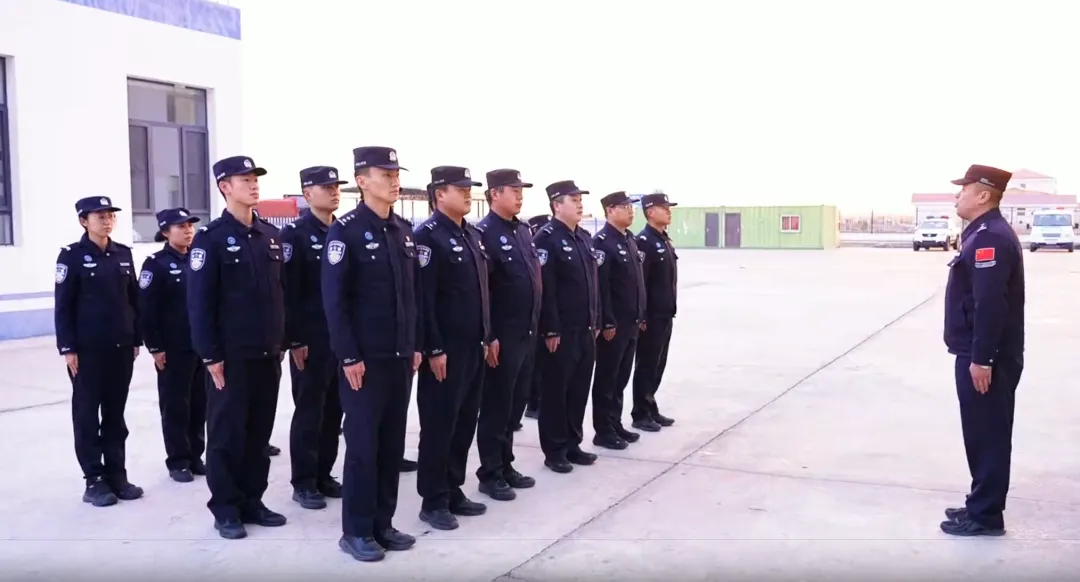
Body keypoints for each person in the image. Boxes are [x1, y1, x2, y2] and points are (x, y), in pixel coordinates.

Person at [322, 145, 420, 562]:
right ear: (362, 181)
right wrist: (348, 356)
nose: (394, 181)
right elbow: (335, 301)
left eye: (396, 174)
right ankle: (357, 531)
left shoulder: (402, 230)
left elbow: (412, 297)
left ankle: (383, 523)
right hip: (364, 361)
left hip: (399, 357)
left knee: (390, 445)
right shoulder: (345, 231)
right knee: (363, 447)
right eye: (386, 175)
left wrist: (415, 344)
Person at [187, 155, 288, 540]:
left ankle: (252, 500)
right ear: (224, 187)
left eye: (255, 178)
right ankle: (226, 507)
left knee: (258, 434)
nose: (253, 184)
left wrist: (283, 340)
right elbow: (199, 303)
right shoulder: (210, 239)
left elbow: (281, 294)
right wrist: (210, 354)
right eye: (244, 179)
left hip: (267, 352)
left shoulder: (270, 236)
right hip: (230, 357)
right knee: (227, 435)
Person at [939, 164, 1025, 537]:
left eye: (964, 190)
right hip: (978, 353)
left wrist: (981, 359)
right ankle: (979, 502)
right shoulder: (980, 233)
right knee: (979, 433)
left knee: (988, 435)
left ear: (984, 195)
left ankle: (986, 516)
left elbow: (990, 304)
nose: (957, 196)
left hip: (988, 358)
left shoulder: (992, 238)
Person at [413, 166, 492, 530]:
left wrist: (488, 335)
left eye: (468, 188)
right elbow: (424, 299)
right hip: (445, 350)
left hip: (473, 346)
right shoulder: (428, 237)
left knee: (464, 422)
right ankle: (433, 500)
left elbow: (482, 292)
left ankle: (453, 488)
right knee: (439, 425)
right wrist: (433, 348)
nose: (467, 193)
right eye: (460, 189)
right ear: (439, 194)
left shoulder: (472, 235)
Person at [54, 196, 144, 507]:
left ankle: (117, 475)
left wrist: (136, 338)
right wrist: (68, 348)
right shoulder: (72, 256)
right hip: (87, 351)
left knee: (115, 415)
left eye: (110, 216)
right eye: (99, 216)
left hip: (121, 347)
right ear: (84, 221)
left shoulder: (123, 254)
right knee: (87, 414)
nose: (107, 221)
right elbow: (63, 306)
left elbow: (133, 300)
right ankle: (94, 479)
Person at [473, 169, 542, 501]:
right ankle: (490, 473)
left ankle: (506, 464)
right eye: (513, 190)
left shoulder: (523, 231)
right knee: (496, 407)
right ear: (494, 194)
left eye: (521, 190)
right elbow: (483, 291)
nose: (520, 196)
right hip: (503, 336)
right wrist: (490, 335)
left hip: (526, 333)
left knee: (514, 406)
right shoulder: (484, 233)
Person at [282, 166, 346, 510]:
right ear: (307, 194)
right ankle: (304, 481)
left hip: (339, 338)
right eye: (326, 187)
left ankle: (324, 473)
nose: (334, 192)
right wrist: (294, 339)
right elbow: (287, 291)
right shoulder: (295, 235)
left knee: (334, 409)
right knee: (310, 410)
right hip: (310, 339)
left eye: (336, 187)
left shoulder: (343, 230)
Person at [533, 181, 600, 474]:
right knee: (556, 393)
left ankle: (573, 443)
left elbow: (593, 285)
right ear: (557, 205)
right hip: (561, 332)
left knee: (578, 390)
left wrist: (596, 319)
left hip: (585, 328)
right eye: (574, 199)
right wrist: (550, 329)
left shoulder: (583, 238)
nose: (580, 203)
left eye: (580, 199)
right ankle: (555, 450)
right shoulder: (546, 238)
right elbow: (545, 289)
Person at [138, 207, 206, 483]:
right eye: (181, 226)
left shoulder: (199, 258)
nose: (188, 231)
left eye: (190, 225)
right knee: (176, 405)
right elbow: (147, 309)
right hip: (173, 347)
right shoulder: (155, 264)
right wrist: (155, 347)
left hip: (201, 345)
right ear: (166, 232)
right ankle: (178, 460)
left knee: (200, 404)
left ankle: (195, 456)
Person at [591, 192, 647, 450]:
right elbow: (602, 288)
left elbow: (636, 283)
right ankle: (603, 430)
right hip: (614, 325)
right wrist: (607, 322)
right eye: (625, 207)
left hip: (631, 321)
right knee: (607, 378)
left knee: (621, 377)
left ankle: (615, 423)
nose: (631, 211)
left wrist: (641, 314)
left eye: (631, 207)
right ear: (610, 210)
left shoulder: (629, 240)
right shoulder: (603, 242)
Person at [631, 193, 679, 433]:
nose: (669, 211)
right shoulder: (644, 242)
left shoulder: (664, 239)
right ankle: (640, 413)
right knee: (646, 365)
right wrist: (642, 315)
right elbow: (641, 283)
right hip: (650, 317)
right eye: (664, 208)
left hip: (665, 313)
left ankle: (650, 406)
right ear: (650, 212)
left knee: (658, 364)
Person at [521, 213, 551, 422]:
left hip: (543, 312)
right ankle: (532, 403)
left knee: (540, 363)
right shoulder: (536, 247)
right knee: (534, 364)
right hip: (533, 316)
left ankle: (536, 401)